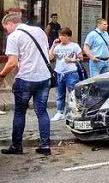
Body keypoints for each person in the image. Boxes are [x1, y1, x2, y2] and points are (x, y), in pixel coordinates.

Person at [0, 13, 52, 156]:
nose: (7, 32)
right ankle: (45, 145)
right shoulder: (39, 31)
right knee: (42, 112)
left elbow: (11, 63)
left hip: (26, 79)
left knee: (19, 112)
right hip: (44, 78)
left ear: (11, 24)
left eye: (6, 28)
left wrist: (1, 76)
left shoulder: (14, 36)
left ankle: (17, 146)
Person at [49, 27, 83, 122]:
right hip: (59, 73)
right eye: (60, 35)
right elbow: (50, 57)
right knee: (59, 93)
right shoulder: (57, 46)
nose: (61, 37)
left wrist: (72, 60)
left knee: (72, 93)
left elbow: (81, 58)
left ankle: (75, 111)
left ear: (68, 36)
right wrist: (53, 45)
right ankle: (60, 112)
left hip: (71, 72)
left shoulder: (74, 46)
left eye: (63, 36)